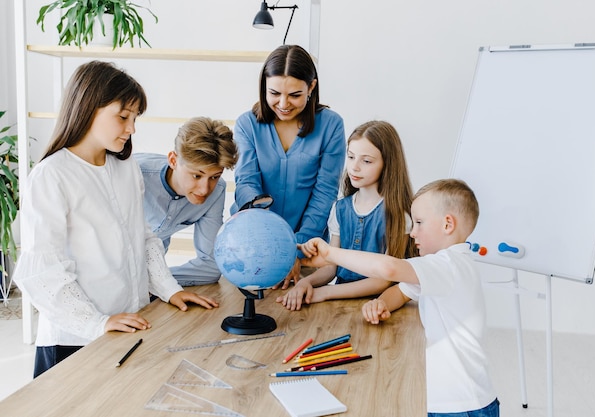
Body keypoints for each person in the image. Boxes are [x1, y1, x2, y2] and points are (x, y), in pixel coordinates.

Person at [12, 61, 218, 378]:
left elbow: (144, 239)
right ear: (88, 108)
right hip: (74, 340)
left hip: (129, 325)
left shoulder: (126, 167)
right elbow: (42, 272)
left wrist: (169, 289)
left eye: (135, 118)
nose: (132, 128)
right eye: (123, 117)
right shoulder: (51, 176)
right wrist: (97, 323)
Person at [299, 179, 499, 416]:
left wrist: (331, 254)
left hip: (461, 405)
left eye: (419, 223)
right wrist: (381, 303)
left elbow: (389, 269)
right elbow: (402, 291)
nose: (412, 232)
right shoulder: (440, 269)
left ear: (447, 224)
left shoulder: (449, 265)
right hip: (450, 400)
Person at [230, 44, 346, 288]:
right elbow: (247, 185)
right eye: (274, 93)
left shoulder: (331, 126)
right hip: (254, 245)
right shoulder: (246, 125)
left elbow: (324, 193)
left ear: (311, 87)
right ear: (264, 87)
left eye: (294, 95)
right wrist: (276, 249)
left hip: (306, 249)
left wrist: (294, 249)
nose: (283, 104)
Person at [276, 120, 416, 310]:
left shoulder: (399, 216)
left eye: (366, 161)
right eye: (350, 157)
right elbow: (330, 266)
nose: (354, 167)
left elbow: (383, 280)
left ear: (388, 164)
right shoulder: (340, 208)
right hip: (338, 305)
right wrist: (304, 283)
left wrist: (325, 292)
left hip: (379, 306)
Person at [134, 117, 238, 286]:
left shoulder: (217, 191)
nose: (205, 189)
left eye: (214, 177)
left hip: (143, 286)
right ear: (173, 160)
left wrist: (159, 283)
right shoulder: (134, 173)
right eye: (196, 175)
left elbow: (211, 266)